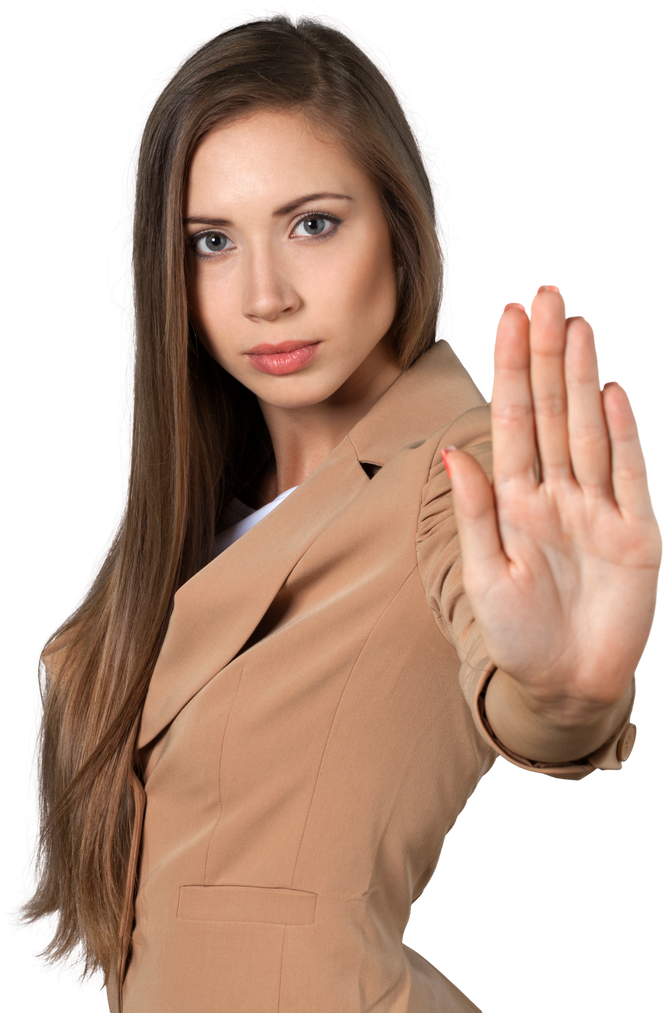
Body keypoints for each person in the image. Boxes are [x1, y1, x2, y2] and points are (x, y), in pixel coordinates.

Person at [13, 12, 661, 1013]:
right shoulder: (207, 518)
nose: (265, 294)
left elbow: (522, 678)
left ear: (396, 230)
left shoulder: (460, 471)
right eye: (212, 241)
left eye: (313, 223)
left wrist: (569, 693)